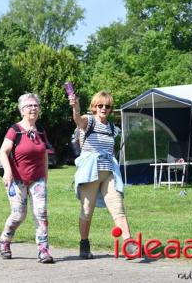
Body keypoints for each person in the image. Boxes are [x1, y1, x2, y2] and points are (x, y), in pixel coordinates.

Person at [68, 90, 137, 259]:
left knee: (118, 208)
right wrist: (75, 106)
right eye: (100, 105)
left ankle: (128, 244)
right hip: (90, 173)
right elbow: (78, 120)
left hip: (109, 173)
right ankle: (84, 244)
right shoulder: (89, 121)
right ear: (94, 107)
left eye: (107, 106)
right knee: (86, 210)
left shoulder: (112, 128)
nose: (103, 108)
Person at [0, 93, 54, 264]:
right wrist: (7, 171)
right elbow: (3, 152)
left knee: (41, 213)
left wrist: (45, 176)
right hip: (16, 179)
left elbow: (44, 154)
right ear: (22, 110)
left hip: (37, 179)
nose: (33, 108)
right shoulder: (15, 130)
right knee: (18, 215)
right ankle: (4, 241)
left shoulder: (41, 131)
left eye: (36, 105)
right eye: (29, 106)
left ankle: (43, 250)